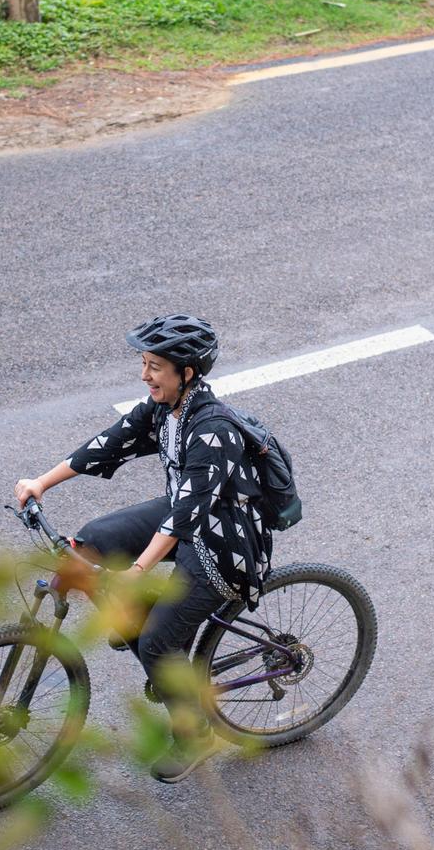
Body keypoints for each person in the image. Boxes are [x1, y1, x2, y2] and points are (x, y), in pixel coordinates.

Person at [14, 314, 270, 783]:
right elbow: (108, 444)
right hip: (185, 514)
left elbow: (187, 516)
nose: (145, 374)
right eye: (145, 363)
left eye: (155, 366)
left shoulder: (212, 430)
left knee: (156, 644)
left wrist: (136, 571)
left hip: (223, 540)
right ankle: (138, 614)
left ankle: (194, 735)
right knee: (92, 542)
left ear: (186, 372)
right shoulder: (163, 410)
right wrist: (42, 483)